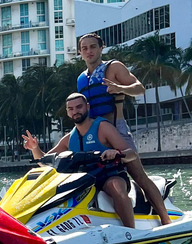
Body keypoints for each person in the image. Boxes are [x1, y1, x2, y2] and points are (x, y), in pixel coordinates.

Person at [77, 33, 171, 225]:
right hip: (96, 134)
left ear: (101, 48)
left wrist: (121, 88)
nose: (89, 51)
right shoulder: (81, 79)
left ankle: (166, 220)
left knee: (137, 174)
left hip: (116, 128)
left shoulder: (113, 67)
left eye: (93, 46)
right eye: (84, 48)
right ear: (80, 52)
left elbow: (140, 88)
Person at [22, 93, 138, 228]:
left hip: (110, 176)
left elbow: (132, 154)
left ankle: (131, 230)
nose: (75, 111)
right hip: (85, 181)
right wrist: (35, 148)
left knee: (115, 187)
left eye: (79, 107)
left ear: (87, 107)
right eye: (71, 109)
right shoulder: (69, 138)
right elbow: (45, 161)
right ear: (67, 112)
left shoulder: (103, 127)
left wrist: (116, 152)